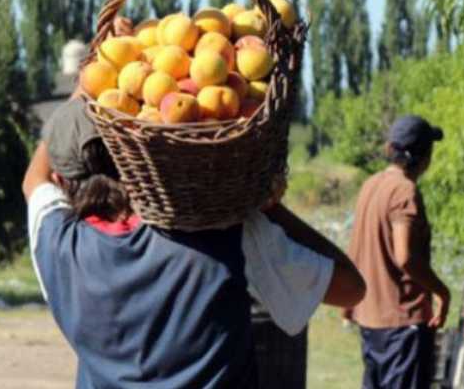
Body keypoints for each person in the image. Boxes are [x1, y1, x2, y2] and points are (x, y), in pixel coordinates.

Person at [22, 97, 366, 388]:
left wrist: (80, 92)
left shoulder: (56, 245)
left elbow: (33, 181)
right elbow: (350, 288)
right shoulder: (224, 231)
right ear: (141, 152)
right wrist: (263, 206)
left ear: (61, 180)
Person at [345, 115, 450, 389]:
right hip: (402, 325)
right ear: (424, 156)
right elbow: (404, 257)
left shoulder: (371, 184)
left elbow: (356, 244)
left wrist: (349, 301)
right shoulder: (405, 191)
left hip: (370, 320)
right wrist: (442, 291)